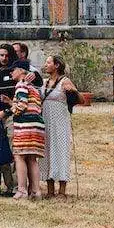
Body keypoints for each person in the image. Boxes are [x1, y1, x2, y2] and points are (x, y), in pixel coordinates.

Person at [40, 54, 77, 198]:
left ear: (56, 65)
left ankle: (62, 190)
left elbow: (77, 98)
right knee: (47, 150)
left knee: (60, 151)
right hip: (46, 120)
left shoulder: (65, 81)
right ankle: (49, 189)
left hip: (60, 120)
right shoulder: (44, 82)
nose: (45, 64)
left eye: (48, 62)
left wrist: (72, 91)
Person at [7, 60, 44, 200]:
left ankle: (22, 190)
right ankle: (36, 191)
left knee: (19, 155)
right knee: (32, 158)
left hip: (25, 125)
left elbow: (21, 106)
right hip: (37, 126)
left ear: (22, 71)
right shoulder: (33, 87)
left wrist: (12, 108)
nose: (11, 72)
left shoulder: (21, 85)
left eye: (13, 69)